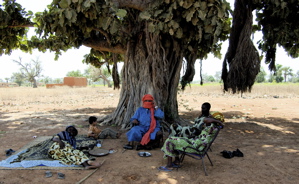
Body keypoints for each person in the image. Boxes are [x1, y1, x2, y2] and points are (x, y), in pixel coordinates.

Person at [159, 113, 224, 171]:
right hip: (195, 143)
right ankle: (177, 161)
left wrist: (216, 121)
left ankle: (169, 166)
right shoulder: (213, 127)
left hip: (195, 147)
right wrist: (217, 121)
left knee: (169, 140)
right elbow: (207, 121)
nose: (210, 116)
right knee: (175, 139)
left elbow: (205, 120)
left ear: (215, 120)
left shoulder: (213, 128)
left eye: (212, 117)